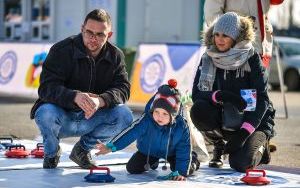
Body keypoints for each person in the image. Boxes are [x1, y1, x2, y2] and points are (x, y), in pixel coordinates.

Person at [30, 9, 133, 169]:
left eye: (100, 34)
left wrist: (101, 100)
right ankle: (51, 153)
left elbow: (124, 88)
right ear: (82, 29)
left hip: (92, 118)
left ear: (109, 35)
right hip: (62, 116)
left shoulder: (115, 56)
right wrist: (74, 97)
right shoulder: (61, 50)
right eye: (89, 32)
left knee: (124, 115)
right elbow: (46, 88)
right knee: (45, 113)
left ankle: (82, 150)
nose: (93, 38)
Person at [190, 12, 276, 172]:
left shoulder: (252, 58)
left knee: (240, 163)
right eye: (216, 34)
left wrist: (243, 133)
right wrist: (219, 96)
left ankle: (262, 148)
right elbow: (196, 94)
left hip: (253, 121)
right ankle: (218, 146)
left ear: (236, 37)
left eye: (225, 35)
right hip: (226, 118)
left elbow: (262, 100)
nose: (219, 39)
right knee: (198, 110)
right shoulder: (208, 57)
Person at [95, 79, 200, 181]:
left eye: (165, 114)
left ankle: (194, 160)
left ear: (173, 115)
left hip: (173, 153)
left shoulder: (181, 126)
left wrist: (181, 172)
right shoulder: (147, 120)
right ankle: (154, 162)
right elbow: (130, 133)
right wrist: (111, 146)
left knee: (181, 168)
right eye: (157, 112)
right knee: (132, 168)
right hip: (150, 152)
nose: (159, 117)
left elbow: (184, 149)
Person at [204, 0, 284, 68]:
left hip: (262, 48)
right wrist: (228, 40)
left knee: (259, 85)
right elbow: (212, 15)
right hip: (234, 52)